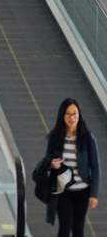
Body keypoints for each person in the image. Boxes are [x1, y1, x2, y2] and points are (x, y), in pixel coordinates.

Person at [33, 97, 99, 235]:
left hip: (83, 190)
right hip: (63, 191)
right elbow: (47, 160)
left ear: (79, 115)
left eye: (75, 114)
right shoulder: (55, 138)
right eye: (68, 114)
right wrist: (52, 164)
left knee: (78, 228)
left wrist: (94, 194)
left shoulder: (87, 138)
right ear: (62, 115)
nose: (72, 117)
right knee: (65, 226)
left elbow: (95, 167)